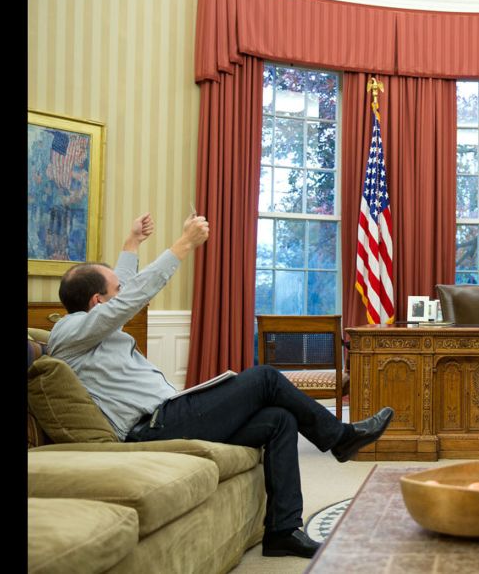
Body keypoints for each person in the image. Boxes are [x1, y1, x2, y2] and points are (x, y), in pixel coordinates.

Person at [48, 212, 394, 559]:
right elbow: (127, 299)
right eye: (115, 290)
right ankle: (340, 438)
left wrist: (132, 242)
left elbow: (119, 291)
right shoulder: (69, 333)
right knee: (266, 377)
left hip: (171, 416)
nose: (123, 290)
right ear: (97, 302)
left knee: (279, 420)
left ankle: (283, 531)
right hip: (153, 427)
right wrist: (184, 244)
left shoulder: (94, 326)